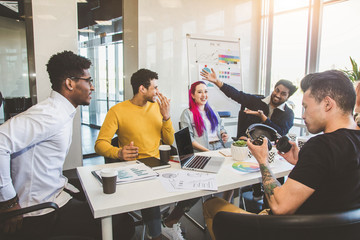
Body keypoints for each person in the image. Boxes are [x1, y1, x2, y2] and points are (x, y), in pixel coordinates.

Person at [202, 70, 360, 240]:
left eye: (306, 107)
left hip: (291, 232)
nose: (304, 115)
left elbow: (280, 206)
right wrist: (301, 162)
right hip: (334, 232)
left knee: (212, 205)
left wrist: (262, 160)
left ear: (327, 104)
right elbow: (335, 178)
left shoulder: (321, 146)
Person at [0, 51, 134, 240]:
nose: (92, 87)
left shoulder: (60, 111)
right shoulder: (50, 114)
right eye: (88, 81)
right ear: (70, 83)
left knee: (104, 200)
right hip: (40, 212)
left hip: (55, 192)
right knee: (122, 224)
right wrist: (7, 201)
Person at [95, 68, 199, 240]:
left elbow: (168, 140)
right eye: (155, 87)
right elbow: (100, 144)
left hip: (159, 163)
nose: (158, 91)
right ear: (142, 89)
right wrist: (118, 152)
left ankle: (171, 221)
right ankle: (155, 234)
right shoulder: (117, 111)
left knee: (197, 186)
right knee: (151, 194)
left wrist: (166, 117)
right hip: (134, 168)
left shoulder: (157, 108)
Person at [201, 68, 298, 201]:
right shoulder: (257, 101)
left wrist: (264, 118)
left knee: (276, 184)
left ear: (288, 97)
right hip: (248, 148)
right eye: (277, 90)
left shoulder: (288, 114)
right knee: (234, 172)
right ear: (274, 88)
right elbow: (236, 95)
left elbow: (280, 133)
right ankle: (249, 195)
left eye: (283, 94)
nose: (278, 95)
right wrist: (217, 82)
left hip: (271, 152)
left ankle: (269, 202)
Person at [180, 81, 229, 152]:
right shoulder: (187, 113)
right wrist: (207, 151)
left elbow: (220, 127)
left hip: (219, 146)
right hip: (202, 150)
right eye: (200, 92)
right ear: (193, 95)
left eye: (206, 91)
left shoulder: (213, 110)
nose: (204, 95)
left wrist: (223, 134)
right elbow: (188, 138)